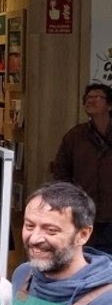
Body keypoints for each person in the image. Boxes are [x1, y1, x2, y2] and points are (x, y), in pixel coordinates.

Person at [51, 82, 112, 254]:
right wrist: (70, 202)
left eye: (97, 97)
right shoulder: (75, 136)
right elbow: (61, 173)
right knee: (85, 260)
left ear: (109, 105)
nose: (91, 101)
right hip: (84, 213)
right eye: (88, 98)